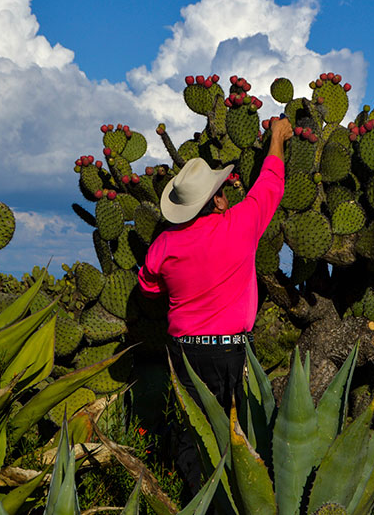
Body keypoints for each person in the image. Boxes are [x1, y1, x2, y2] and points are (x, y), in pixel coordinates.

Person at [137, 115, 292, 499]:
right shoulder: (240, 224)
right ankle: (238, 500)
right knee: (240, 435)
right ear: (218, 200)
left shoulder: (163, 247)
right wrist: (277, 139)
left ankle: (196, 501)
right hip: (232, 352)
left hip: (184, 354)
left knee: (193, 434)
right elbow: (270, 184)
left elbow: (149, 290)